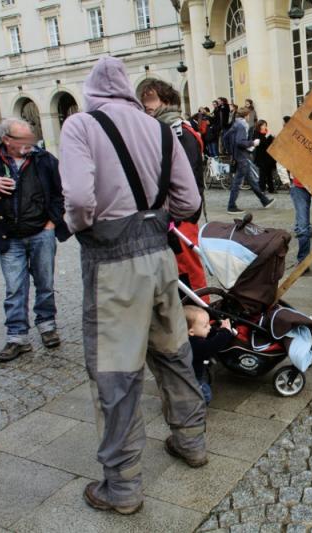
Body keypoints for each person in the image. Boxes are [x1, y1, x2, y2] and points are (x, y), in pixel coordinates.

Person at [59, 56, 208, 515]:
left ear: (91, 93)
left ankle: (122, 487)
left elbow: (81, 199)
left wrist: (81, 226)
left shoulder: (80, 125)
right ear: (127, 90)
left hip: (113, 265)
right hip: (160, 258)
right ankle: (192, 443)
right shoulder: (160, 128)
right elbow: (191, 201)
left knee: (117, 374)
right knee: (174, 355)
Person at [0, 118, 70, 362]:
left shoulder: (44, 160)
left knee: (45, 283)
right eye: (22, 139)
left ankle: (47, 326)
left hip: (41, 232)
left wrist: (52, 223)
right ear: (7, 140)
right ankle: (17, 337)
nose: (28, 143)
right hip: (8, 235)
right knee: (14, 288)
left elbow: (62, 192)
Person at [140, 79, 208, 292]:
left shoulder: (180, 132)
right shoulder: (161, 130)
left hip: (182, 217)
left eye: (151, 99)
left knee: (189, 272)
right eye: (144, 101)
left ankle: (200, 318)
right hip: (171, 216)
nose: (147, 105)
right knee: (177, 273)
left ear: (166, 101)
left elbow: (186, 181)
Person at [224, 108, 275, 214]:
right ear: (247, 115)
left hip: (239, 156)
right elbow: (240, 142)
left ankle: (264, 200)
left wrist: (231, 152)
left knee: (251, 180)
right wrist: (253, 143)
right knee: (237, 182)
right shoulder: (242, 126)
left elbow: (225, 137)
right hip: (242, 157)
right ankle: (231, 206)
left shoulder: (235, 124)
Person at [184, 306, 234, 406]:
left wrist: (217, 330)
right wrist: (226, 332)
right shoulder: (194, 344)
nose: (209, 327)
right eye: (205, 325)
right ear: (191, 331)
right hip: (193, 378)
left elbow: (209, 333)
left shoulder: (191, 337)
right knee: (206, 394)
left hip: (189, 373)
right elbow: (213, 346)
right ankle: (197, 408)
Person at [253, 120, 277, 194]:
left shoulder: (267, 133)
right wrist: (266, 137)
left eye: (265, 125)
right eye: (263, 125)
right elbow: (260, 143)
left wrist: (272, 137)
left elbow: (270, 144)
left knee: (269, 173)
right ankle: (262, 188)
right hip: (261, 156)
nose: (265, 127)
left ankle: (271, 189)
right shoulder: (256, 133)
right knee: (262, 173)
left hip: (268, 156)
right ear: (259, 126)